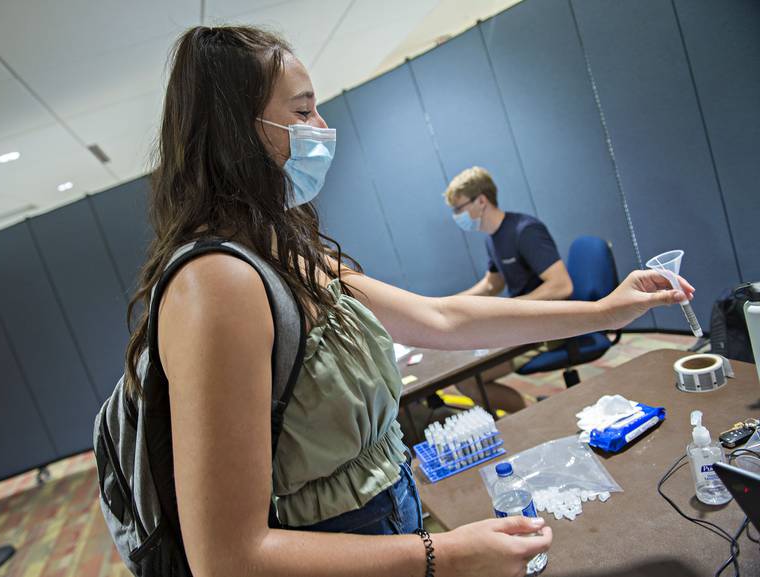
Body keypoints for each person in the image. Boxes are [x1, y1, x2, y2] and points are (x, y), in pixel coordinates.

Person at [123, 25, 693, 577]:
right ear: (237, 134)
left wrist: (604, 311)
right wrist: (447, 556)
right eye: (301, 113)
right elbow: (228, 559)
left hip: (391, 527)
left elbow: (441, 318)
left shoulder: (283, 249)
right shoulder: (215, 282)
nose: (322, 127)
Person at [445, 167, 573, 300]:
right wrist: (453, 302)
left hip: (547, 316)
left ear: (481, 201)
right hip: (524, 312)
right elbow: (493, 284)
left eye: (458, 209)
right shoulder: (491, 238)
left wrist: (512, 309)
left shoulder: (526, 231)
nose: (456, 215)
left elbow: (562, 286)